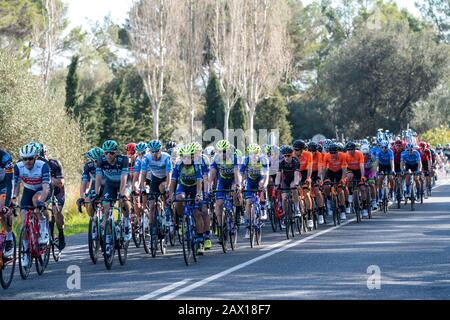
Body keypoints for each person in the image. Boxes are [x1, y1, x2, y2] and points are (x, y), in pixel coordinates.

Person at [12, 143, 51, 267]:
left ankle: (43, 228)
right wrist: (13, 200)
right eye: (25, 159)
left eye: (30, 158)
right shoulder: (18, 167)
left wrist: (41, 202)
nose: (27, 162)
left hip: (42, 189)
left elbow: (46, 188)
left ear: (35, 158)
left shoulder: (43, 166)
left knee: (36, 201)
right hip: (28, 190)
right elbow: (16, 186)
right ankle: (25, 253)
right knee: (24, 223)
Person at [95, 140, 131, 254]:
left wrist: (121, 194)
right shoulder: (101, 160)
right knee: (106, 211)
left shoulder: (123, 160)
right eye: (106, 153)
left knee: (124, 200)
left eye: (111, 153)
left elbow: (124, 177)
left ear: (116, 152)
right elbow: (99, 178)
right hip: (110, 185)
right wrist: (96, 193)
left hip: (124, 183)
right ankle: (108, 240)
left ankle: (126, 222)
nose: (108, 155)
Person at [168, 144, 204, 254]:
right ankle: (181, 219)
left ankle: (200, 241)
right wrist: (170, 196)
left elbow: (199, 181)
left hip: (194, 187)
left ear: (193, 157)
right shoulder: (178, 165)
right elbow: (173, 182)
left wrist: (198, 195)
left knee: (197, 213)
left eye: (189, 157)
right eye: (184, 157)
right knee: (179, 198)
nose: (186, 160)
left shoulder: (196, 165)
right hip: (183, 186)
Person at [210, 140, 241, 246]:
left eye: (224, 151)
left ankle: (236, 214)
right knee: (219, 203)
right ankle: (220, 227)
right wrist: (210, 188)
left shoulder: (233, 158)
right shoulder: (215, 159)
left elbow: (237, 173)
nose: (222, 153)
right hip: (222, 182)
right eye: (220, 151)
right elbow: (212, 175)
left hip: (232, 180)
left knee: (235, 193)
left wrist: (237, 186)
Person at [240, 143, 269, 239]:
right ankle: (248, 226)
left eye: (255, 152)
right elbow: (241, 174)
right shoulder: (246, 160)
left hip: (260, 179)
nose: (253, 155)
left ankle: (263, 208)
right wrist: (240, 184)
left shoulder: (263, 160)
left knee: (262, 185)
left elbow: (266, 175)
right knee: (248, 202)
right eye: (251, 153)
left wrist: (264, 185)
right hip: (250, 180)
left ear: (258, 152)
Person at [41, 145, 66, 249]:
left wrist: (48, 178)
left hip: (57, 191)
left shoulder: (54, 163)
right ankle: (43, 232)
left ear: (46, 154)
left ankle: (61, 233)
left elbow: (60, 182)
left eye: (43, 155)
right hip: (44, 191)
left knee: (56, 211)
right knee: (40, 209)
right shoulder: (34, 166)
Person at [275, 145, 300, 221]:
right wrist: (277, 184)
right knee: (284, 197)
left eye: (288, 155)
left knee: (293, 188)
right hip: (286, 180)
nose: (287, 157)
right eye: (285, 156)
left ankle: (297, 208)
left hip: (294, 178)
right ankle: (285, 214)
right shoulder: (281, 162)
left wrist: (296, 184)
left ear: (291, 155)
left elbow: (296, 174)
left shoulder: (295, 161)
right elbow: (278, 175)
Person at [0, 148, 14, 257]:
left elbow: (10, 183)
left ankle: (9, 238)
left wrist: (7, 204)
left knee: (2, 208)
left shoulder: (5, 158)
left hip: (4, 186)